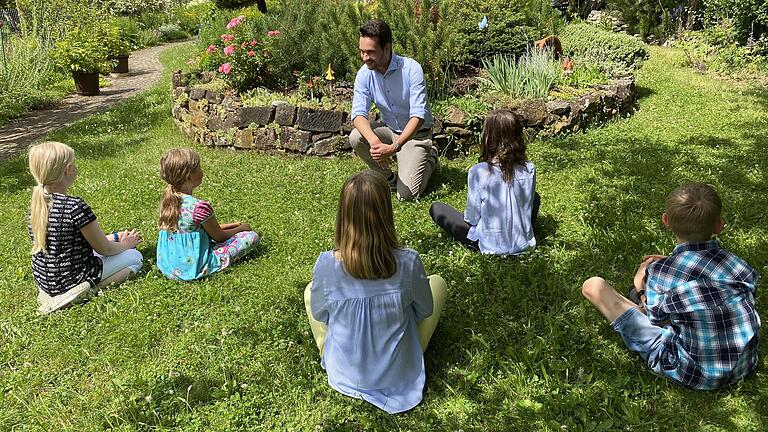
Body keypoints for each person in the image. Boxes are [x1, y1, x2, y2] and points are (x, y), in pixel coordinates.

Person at [582, 183, 760, 389]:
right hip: (743, 365)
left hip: (689, 371)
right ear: (719, 226)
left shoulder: (661, 274)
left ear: (665, 220)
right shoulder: (738, 266)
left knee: (593, 286)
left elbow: (655, 319)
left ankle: (633, 296)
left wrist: (640, 287)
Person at [304, 171, 448, 413]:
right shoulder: (409, 262)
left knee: (310, 291)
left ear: (343, 215)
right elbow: (425, 310)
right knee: (438, 283)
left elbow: (320, 315)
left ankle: (329, 351)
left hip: (345, 374)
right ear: (386, 214)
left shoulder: (326, 265)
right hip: (398, 372)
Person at [28, 141, 143, 314]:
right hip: (71, 277)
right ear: (68, 170)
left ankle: (54, 294)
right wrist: (126, 245)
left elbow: (68, 242)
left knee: (116, 243)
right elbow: (104, 249)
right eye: (73, 163)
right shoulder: (75, 206)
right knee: (135, 257)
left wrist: (116, 237)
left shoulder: (37, 205)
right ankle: (87, 291)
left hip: (46, 279)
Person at [349, 19, 438, 200]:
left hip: (416, 135)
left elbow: (418, 116)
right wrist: (375, 143)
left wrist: (395, 147)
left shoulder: (411, 69)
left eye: (370, 52)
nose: (365, 57)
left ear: (387, 48)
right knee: (356, 137)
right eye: (362, 52)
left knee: (407, 195)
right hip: (389, 130)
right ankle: (389, 178)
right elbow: (358, 114)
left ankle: (431, 157)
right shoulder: (364, 73)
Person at [429, 109, 539, 254]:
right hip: (523, 243)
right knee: (535, 197)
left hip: (489, 245)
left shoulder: (478, 172)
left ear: (488, 137)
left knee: (437, 208)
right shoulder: (529, 169)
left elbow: (472, 218)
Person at [156, 148, 259, 281]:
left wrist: (231, 224)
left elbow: (191, 229)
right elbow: (219, 237)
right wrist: (241, 228)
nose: (202, 171)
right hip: (193, 267)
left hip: (168, 266)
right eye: (199, 168)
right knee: (251, 236)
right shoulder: (199, 207)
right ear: (189, 176)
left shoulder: (167, 202)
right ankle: (209, 263)